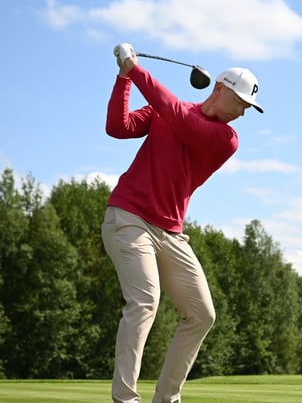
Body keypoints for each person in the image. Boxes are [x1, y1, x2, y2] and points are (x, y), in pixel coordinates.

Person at [101, 43, 263, 402]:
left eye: (247, 108)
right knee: (145, 301)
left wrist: (136, 69)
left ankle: (167, 397)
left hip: (170, 234)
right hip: (129, 219)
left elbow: (175, 112)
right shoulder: (170, 113)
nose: (242, 113)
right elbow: (118, 126)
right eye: (240, 103)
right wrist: (123, 77)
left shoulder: (226, 139)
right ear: (219, 89)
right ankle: (125, 398)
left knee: (202, 314)